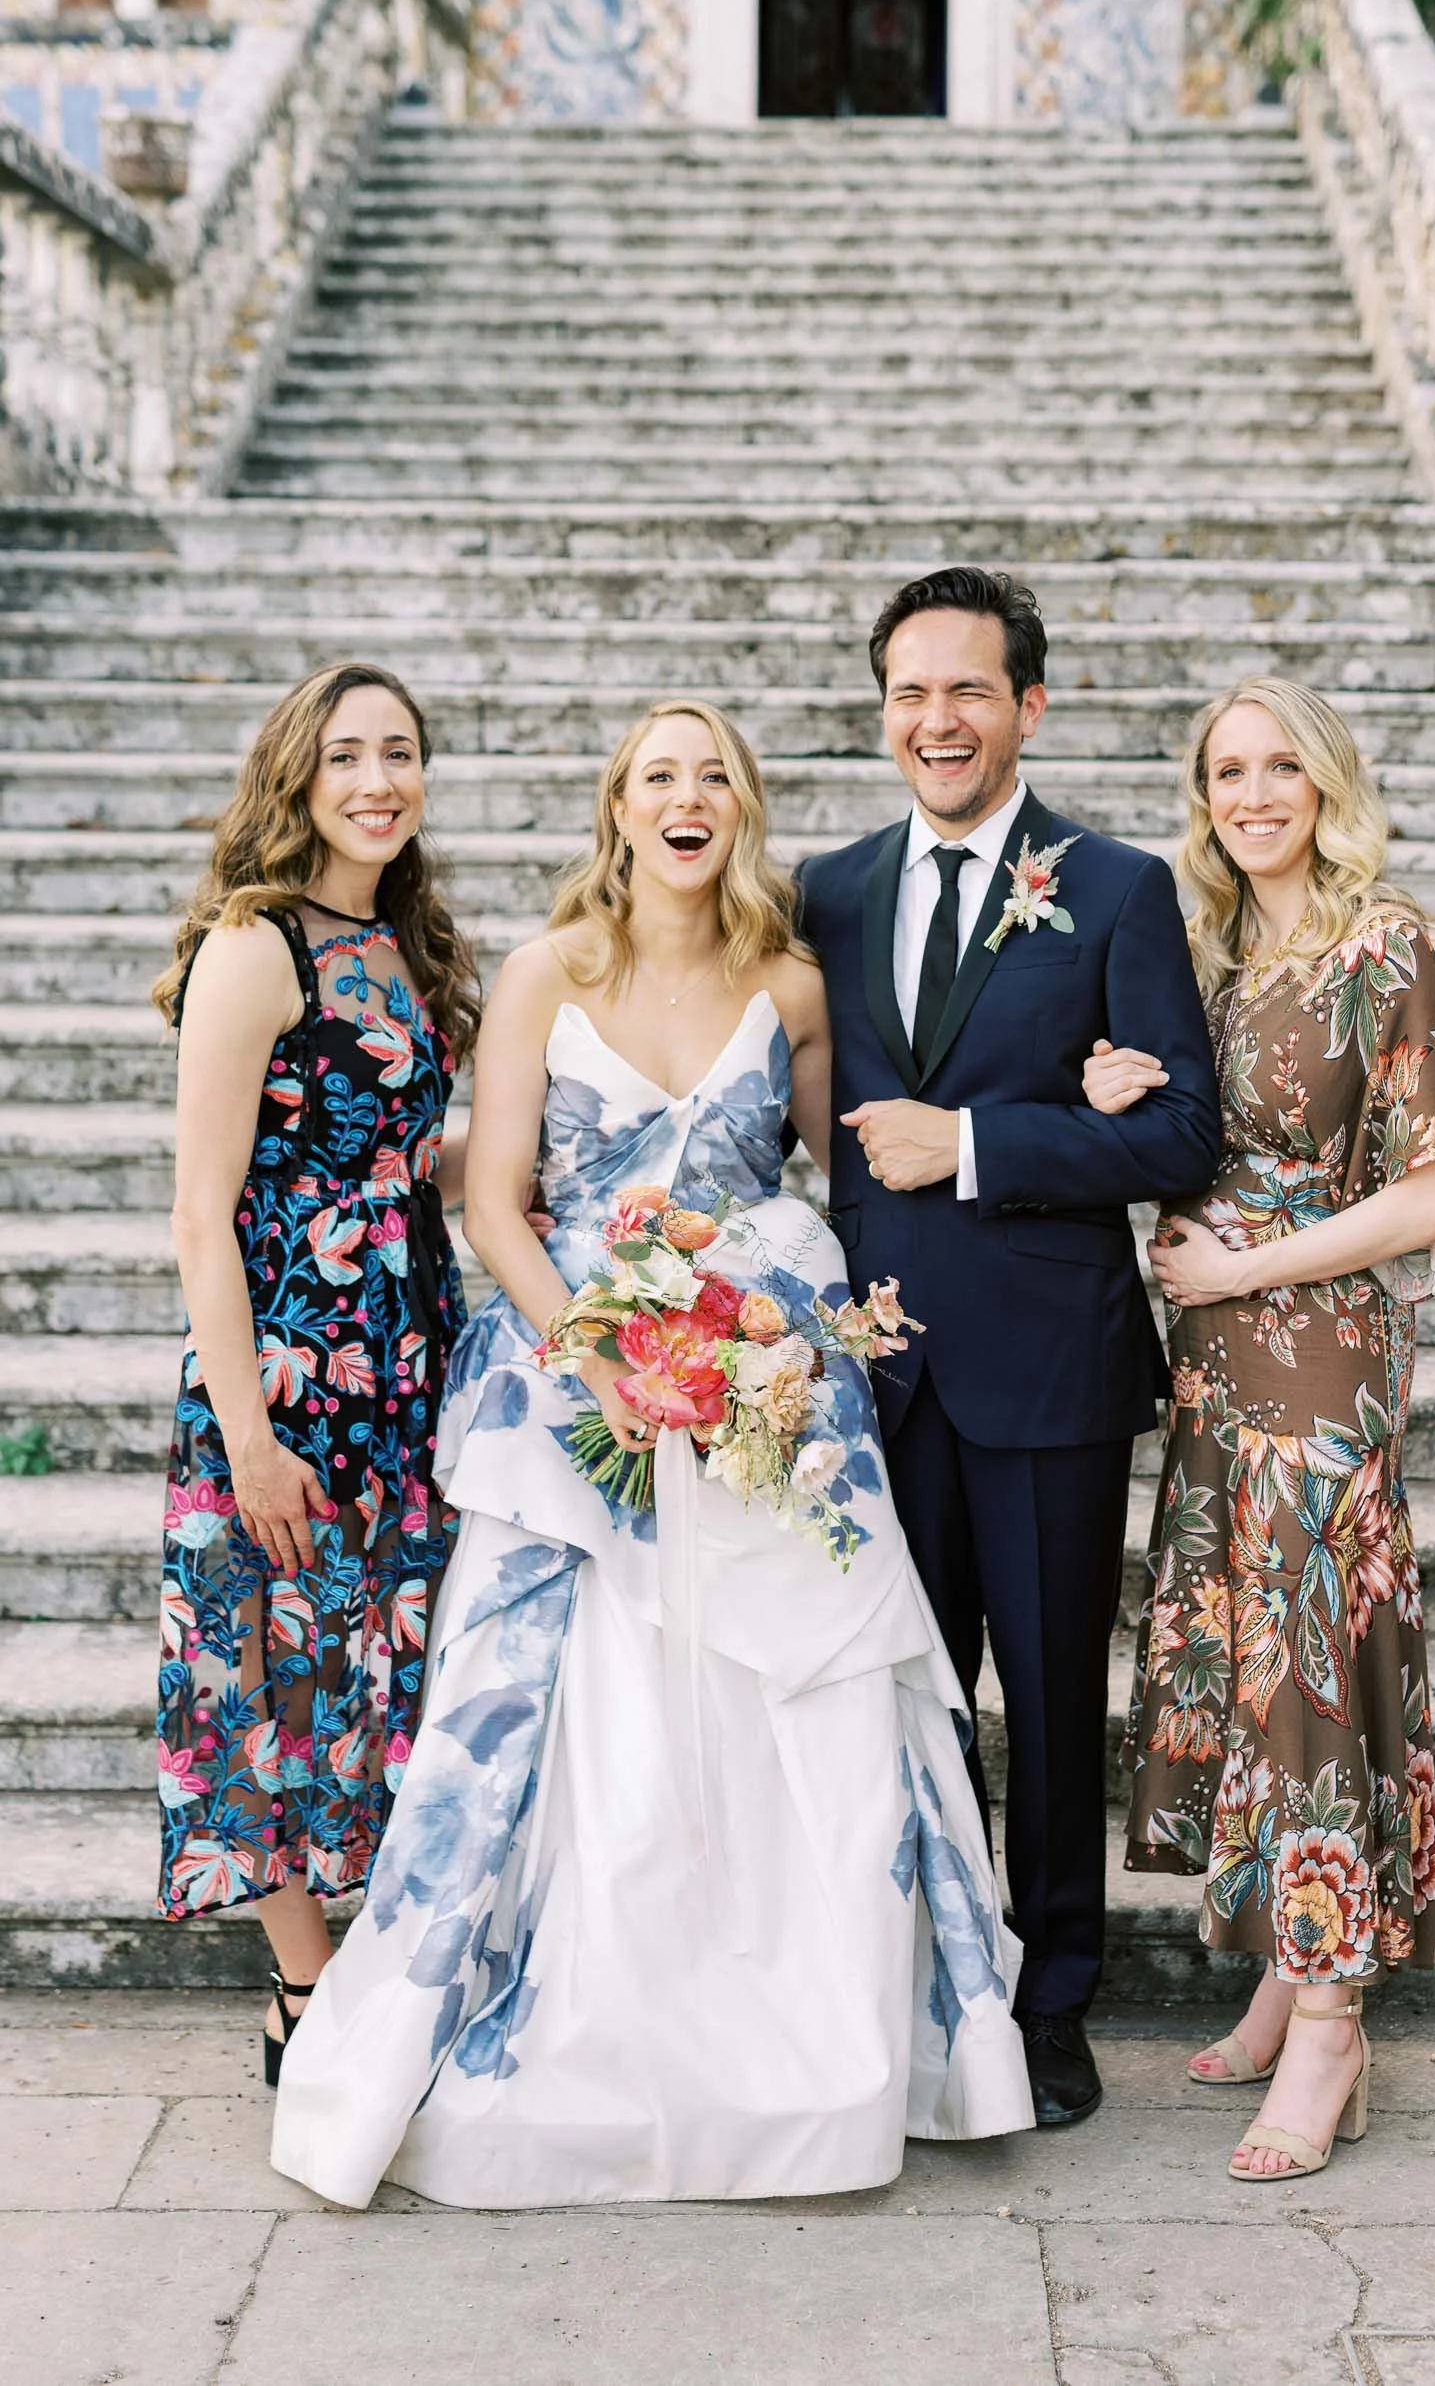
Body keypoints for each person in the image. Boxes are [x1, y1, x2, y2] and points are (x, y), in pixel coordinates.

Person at [270, 698, 1034, 2210]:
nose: (687, 798)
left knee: (802, 1702)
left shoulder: (797, 984)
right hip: (576, 1375)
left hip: (765, 1380)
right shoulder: (547, 973)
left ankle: (811, 2041)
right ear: (618, 808)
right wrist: (600, 1354)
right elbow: (493, 1204)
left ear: (742, 808)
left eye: (714, 776)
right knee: (569, 1716)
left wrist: (801, 1338)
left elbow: (853, 1168)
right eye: (658, 776)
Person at [797, 569, 1222, 2126]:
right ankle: (919, 1972)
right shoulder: (829, 891)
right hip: (872, 1373)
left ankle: (1049, 2003)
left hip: (1048, 1371)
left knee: (1046, 1701)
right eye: (911, 692)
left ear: (1028, 706)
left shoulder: (1111, 889)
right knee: (897, 1693)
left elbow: (1184, 1130)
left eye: (968, 690)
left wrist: (976, 1143)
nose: (938, 720)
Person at [1104, 675, 1435, 2183]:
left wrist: (1245, 1264)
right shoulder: (1212, 949)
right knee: (1248, 1650)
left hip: (1318, 1355)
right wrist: (1125, 1091)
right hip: (1213, 1362)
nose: (1251, 795)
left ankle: (1332, 2020)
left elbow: (1431, 1188)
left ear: (1325, 779)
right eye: (1224, 772)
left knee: (1316, 1661)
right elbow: (1199, 1133)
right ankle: (1280, 1963)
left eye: (1277, 768)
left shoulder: (1385, 942)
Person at [152, 661, 479, 2083]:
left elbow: (406, 1160)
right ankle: (306, 1990)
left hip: (404, 1372)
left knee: (380, 1671)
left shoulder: (406, 942)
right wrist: (246, 1436)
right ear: (296, 777)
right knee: (266, 1677)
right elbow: (200, 1209)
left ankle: (372, 1975)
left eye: (398, 752)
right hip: (285, 1376)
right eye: (344, 755)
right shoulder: (255, 947)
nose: (375, 780)